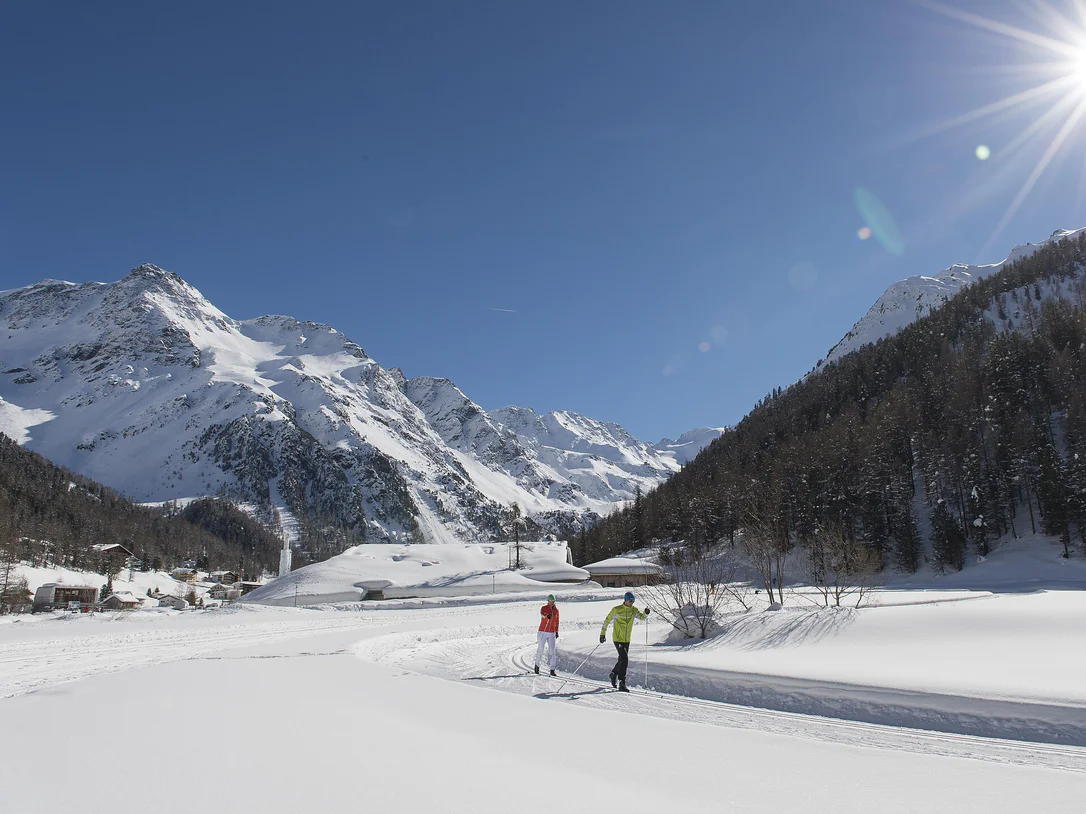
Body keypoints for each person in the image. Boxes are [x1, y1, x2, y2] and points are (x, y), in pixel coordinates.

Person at [599, 591, 650, 692]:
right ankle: (622, 682)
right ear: (625, 600)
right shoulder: (617, 610)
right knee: (625, 659)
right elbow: (607, 620)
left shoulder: (633, 610)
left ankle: (614, 674)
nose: (631, 603)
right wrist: (602, 633)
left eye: (633, 601)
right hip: (617, 638)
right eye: (630, 601)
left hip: (627, 639)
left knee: (621, 659)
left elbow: (642, 618)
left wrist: (646, 613)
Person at [535, 594, 560, 676]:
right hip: (543, 631)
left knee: (552, 651)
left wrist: (556, 631)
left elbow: (557, 621)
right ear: (548, 601)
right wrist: (546, 616)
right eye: (550, 601)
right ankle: (537, 665)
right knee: (541, 649)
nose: (552, 602)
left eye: (553, 601)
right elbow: (542, 615)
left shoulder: (556, 610)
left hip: (552, 633)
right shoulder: (544, 608)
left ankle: (552, 669)